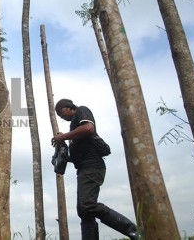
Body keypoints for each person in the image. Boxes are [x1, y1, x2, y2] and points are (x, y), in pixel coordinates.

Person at [51, 98, 139, 240]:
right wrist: (62, 157)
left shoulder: (82, 110)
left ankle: (134, 231)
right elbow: (79, 154)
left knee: (87, 204)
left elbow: (88, 128)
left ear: (68, 107)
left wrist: (64, 137)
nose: (62, 117)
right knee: (84, 211)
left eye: (61, 113)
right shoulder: (73, 129)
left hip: (92, 166)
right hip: (84, 168)